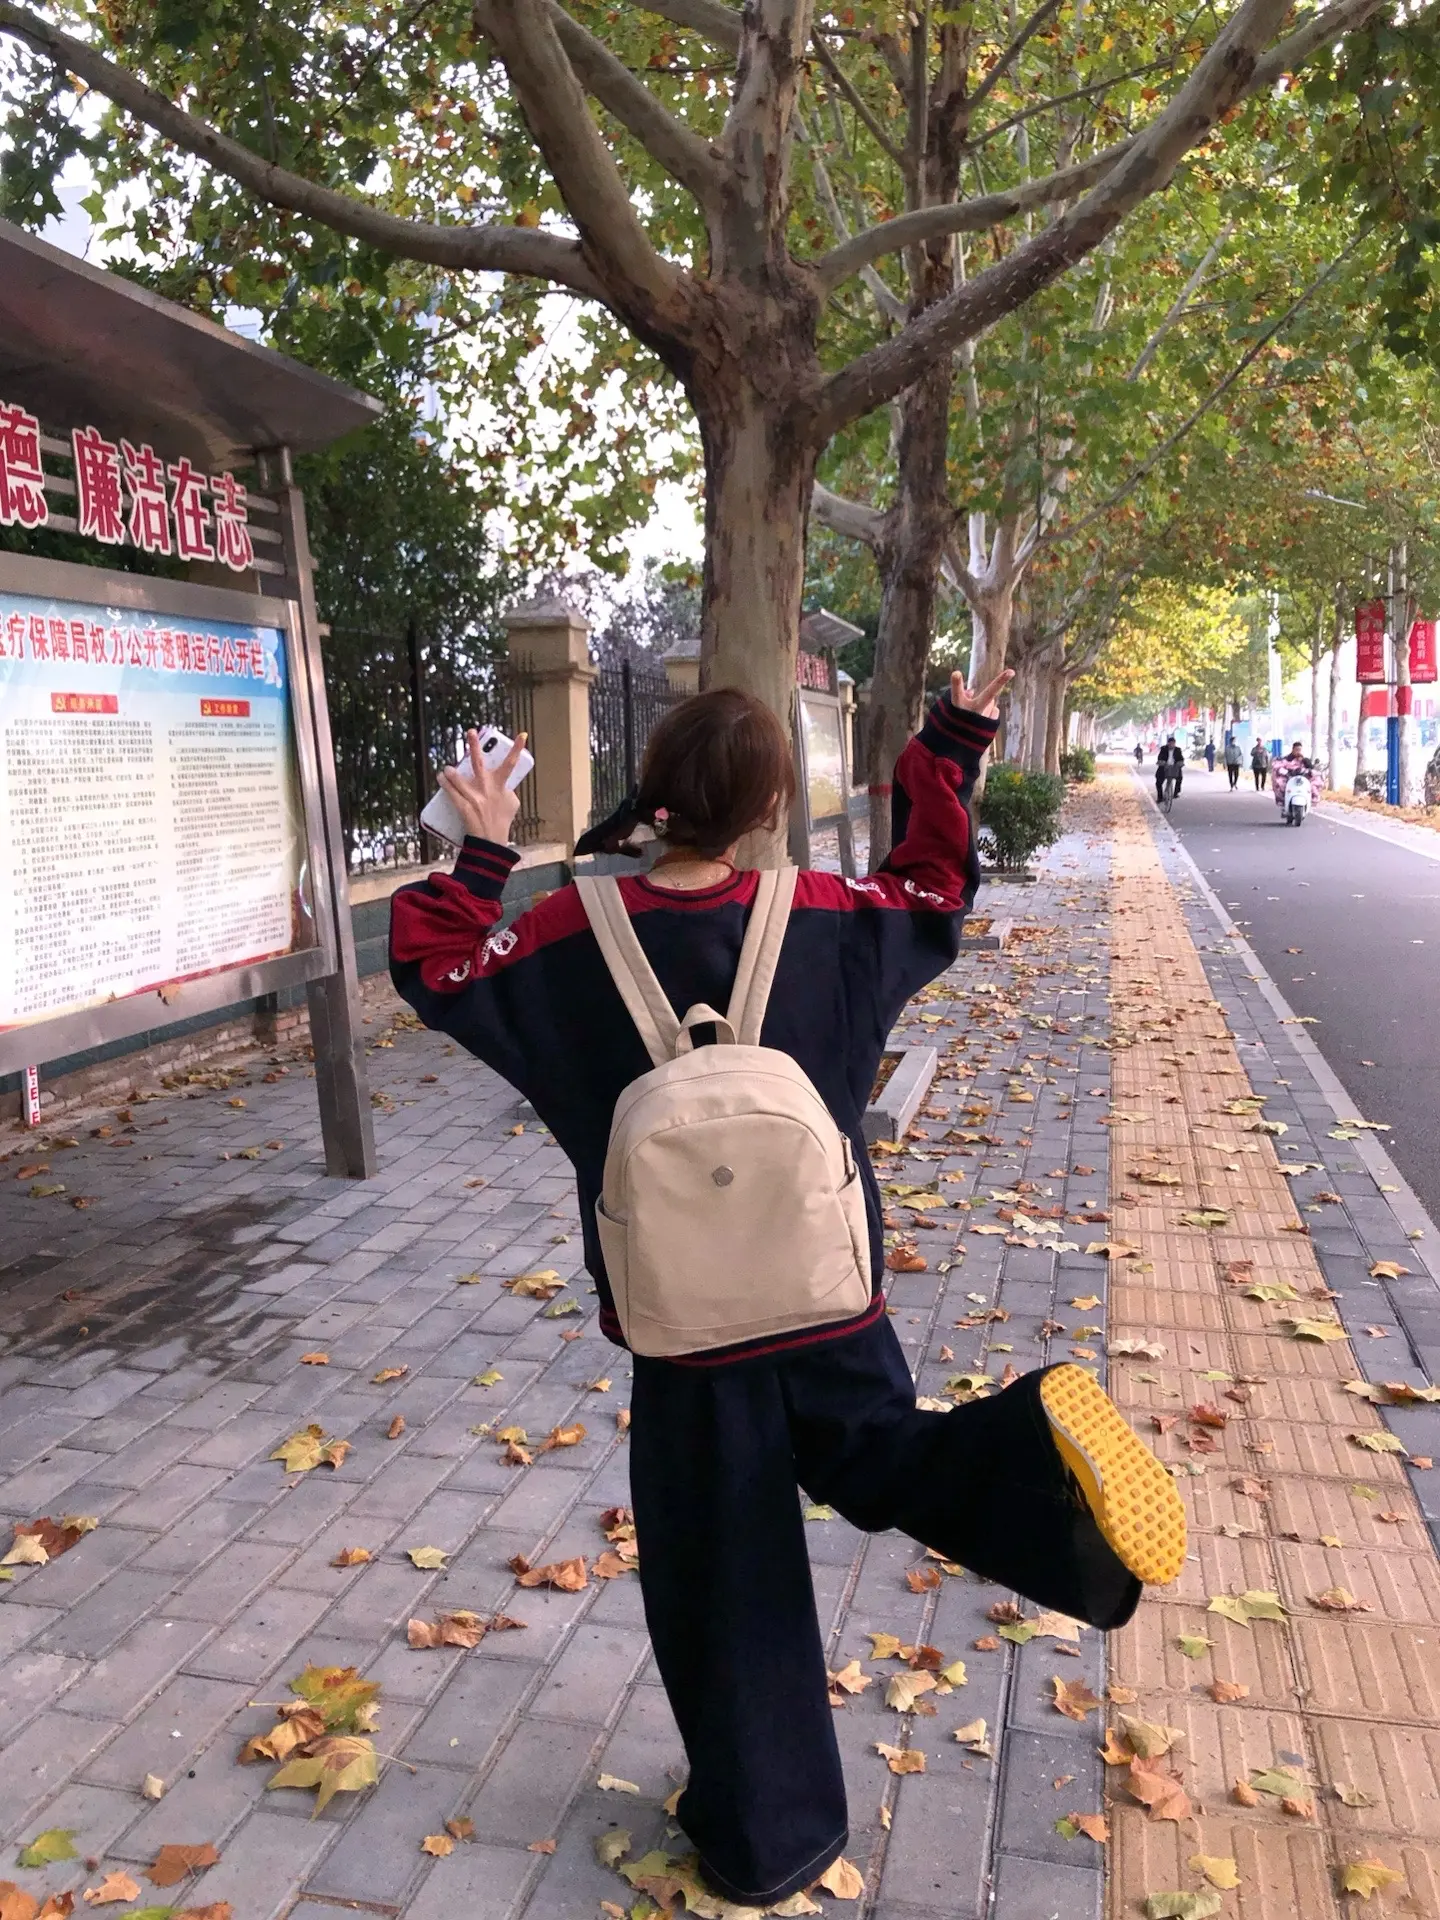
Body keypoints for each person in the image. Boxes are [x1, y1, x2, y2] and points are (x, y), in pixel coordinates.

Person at [389, 675, 1187, 1908]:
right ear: (769, 808)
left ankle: (768, 1839)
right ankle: (1037, 1463)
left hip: (681, 1320)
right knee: (883, 1456)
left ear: (654, 794)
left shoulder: (557, 941)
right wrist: (946, 746)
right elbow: (936, 887)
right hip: (827, 1290)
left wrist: (485, 846)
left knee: (721, 1563)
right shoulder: (833, 917)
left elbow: (434, 962)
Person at [1270, 740, 1322, 812]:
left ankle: (1311, 801)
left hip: (1303, 780)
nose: (1298, 752)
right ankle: (1283, 802)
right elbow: (1278, 767)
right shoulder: (1286, 759)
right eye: (1296, 750)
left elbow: (1311, 768)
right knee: (1280, 783)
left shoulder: (1305, 760)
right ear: (1293, 749)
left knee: (1316, 783)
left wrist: (1306, 763)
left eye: (1300, 750)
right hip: (1289, 779)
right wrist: (1286, 772)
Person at [1155, 733, 1184, 803]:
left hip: (1174, 767)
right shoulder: (1163, 749)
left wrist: (1180, 763)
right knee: (1158, 782)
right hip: (1164, 767)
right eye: (1170, 743)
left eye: (1173, 743)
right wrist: (1162, 762)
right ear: (1168, 743)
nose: (1171, 745)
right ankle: (1160, 797)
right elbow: (1160, 757)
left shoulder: (1178, 750)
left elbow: (1181, 758)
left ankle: (1176, 793)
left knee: (1179, 778)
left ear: (1175, 743)